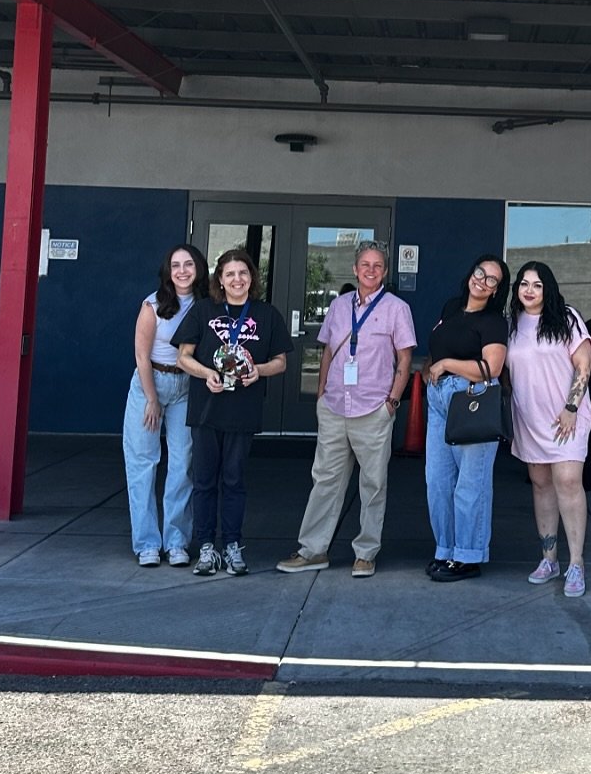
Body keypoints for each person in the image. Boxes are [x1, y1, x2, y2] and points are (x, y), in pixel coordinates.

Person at [277, 241, 416, 579]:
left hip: (373, 408)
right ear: (355, 269)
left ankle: (366, 553)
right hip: (336, 406)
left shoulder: (397, 308)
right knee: (325, 480)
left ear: (385, 271)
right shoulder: (338, 307)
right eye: (365, 264)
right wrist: (322, 394)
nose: (371, 270)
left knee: (373, 484)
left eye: (378, 265)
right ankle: (313, 550)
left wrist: (392, 402)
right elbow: (327, 352)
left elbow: (405, 358)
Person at [175, 246, 292, 577]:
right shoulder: (202, 311)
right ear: (220, 280)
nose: (237, 279)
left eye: (243, 273)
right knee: (203, 481)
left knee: (235, 480)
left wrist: (260, 372)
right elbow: (184, 356)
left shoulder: (267, 315)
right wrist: (205, 374)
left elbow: (281, 362)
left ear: (251, 277)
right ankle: (207, 547)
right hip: (207, 409)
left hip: (243, 410)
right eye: (230, 274)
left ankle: (232, 545)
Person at [506, 262, 591, 598]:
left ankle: (576, 562)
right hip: (529, 420)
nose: (529, 290)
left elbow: (584, 364)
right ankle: (549, 559)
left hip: (566, 418)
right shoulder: (512, 325)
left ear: (549, 289)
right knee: (541, 484)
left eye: (538, 285)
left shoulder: (567, 318)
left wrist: (571, 407)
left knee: (568, 482)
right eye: (524, 283)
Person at [423, 254, 510, 581]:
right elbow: (440, 347)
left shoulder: (493, 322)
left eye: (492, 280)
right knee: (438, 481)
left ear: (496, 290)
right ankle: (445, 550)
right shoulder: (451, 308)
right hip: (438, 400)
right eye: (480, 272)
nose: (483, 280)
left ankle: (468, 556)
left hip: (471, 400)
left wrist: (446, 365)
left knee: (470, 484)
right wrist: (431, 368)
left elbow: (492, 368)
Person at [123, 243, 209, 566]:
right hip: (151, 383)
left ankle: (176, 542)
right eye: (176, 265)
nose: (182, 271)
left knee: (181, 465)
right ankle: (146, 542)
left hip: (188, 386)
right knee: (143, 462)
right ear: (168, 271)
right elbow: (142, 355)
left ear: (198, 268)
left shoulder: (205, 305)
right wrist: (151, 399)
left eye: (188, 264)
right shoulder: (153, 304)